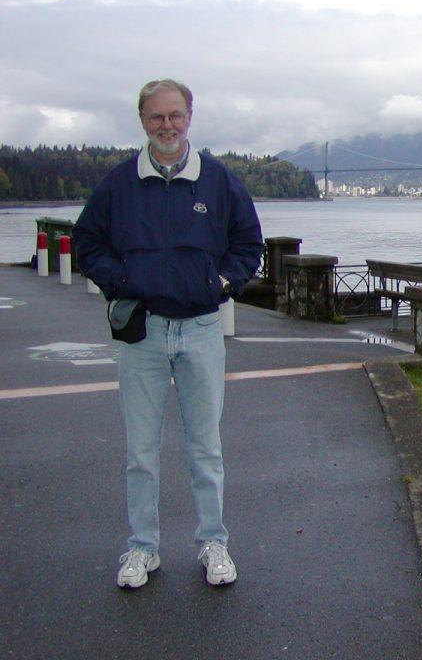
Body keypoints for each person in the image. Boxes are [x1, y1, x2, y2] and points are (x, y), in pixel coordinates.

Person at [73, 79, 263, 589]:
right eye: (156, 117)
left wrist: (223, 281)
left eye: (175, 116)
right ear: (142, 120)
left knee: (205, 447)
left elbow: (249, 242)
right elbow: (87, 241)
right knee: (141, 452)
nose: (166, 126)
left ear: (190, 117)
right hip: (144, 331)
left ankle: (213, 542)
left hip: (201, 329)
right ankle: (142, 549)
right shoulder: (119, 184)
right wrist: (121, 282)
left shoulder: (219, 182)